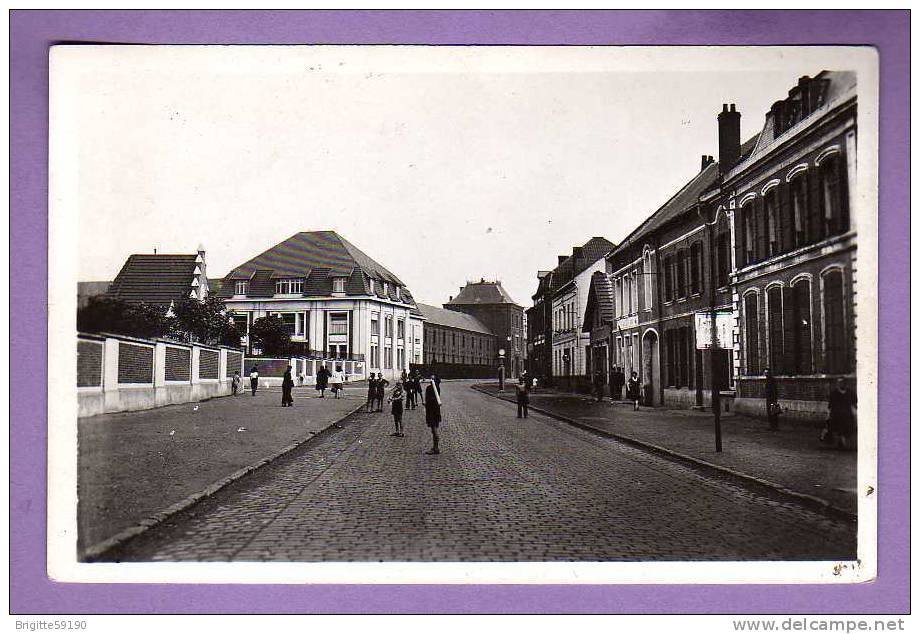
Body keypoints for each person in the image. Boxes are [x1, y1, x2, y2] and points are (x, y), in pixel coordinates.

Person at [826, 378, 857, 450]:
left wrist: (855, 411)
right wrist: (828, 415)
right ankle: (841, 441)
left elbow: (854, 403)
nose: (841, 384)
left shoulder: (850, 393)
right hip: (837, 414)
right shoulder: (834, 393)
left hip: (847, 413)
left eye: (842, 382)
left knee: (848, 427)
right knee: (839, 428)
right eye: (839, 383)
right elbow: (830, 405)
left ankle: (842, 440)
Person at [423, 378, 442, 454]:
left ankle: (435, 448)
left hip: (431, 411)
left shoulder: (430, 388)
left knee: (434, 430)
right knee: (434, 429)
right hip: (436, 411)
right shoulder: (437, 388)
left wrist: (426, 404)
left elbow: (428, 400)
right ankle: (435, 447)